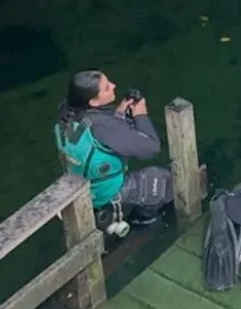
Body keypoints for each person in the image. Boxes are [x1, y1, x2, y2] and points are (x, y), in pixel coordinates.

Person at [53, 69, 174, 227]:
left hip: (86, 183)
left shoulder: (68, 112)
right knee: (164, 179)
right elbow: (152, 148)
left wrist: (118, 114)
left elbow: (92, 138)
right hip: (105, 192)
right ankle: (144, 220)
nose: (113, 85)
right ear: (94, 102)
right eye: (106, 87)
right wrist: (140, 115)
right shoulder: (104, 127)